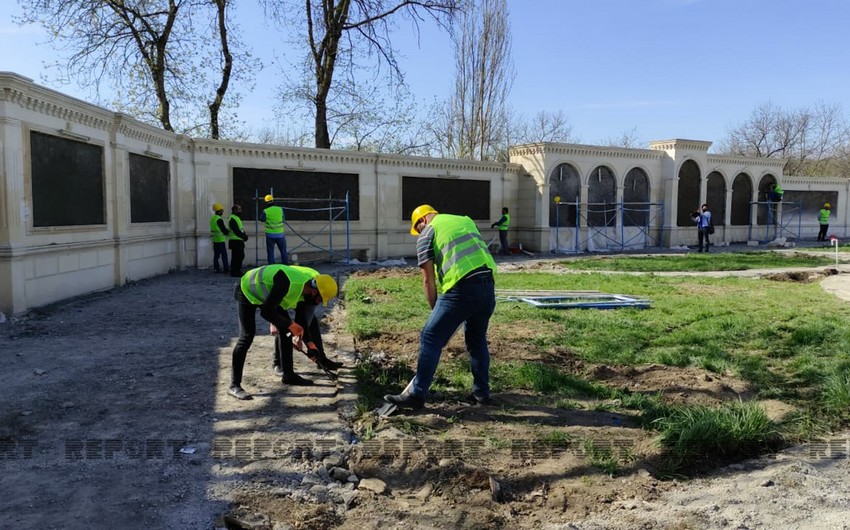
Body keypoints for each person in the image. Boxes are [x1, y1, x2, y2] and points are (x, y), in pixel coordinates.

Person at [383, 205, 497, 410]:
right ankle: (482, 393)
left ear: (422, 221)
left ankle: (416, 394)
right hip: (487, 288)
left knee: (430, 336)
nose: (418, 233)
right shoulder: (465, 219)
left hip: (461, 289)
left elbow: (428, 280)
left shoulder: (427, 233)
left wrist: (436, 311)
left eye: (417, 229)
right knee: (477, 340)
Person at [228, 265, 341, 400]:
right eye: (319, 300)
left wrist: (309, 344)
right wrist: (289, 325)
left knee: (286, 330)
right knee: (246, 337)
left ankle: (288, 375)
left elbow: (301, 319)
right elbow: (266, 312)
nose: (318, 304)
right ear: (314, 292)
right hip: (248, 290)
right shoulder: (287, 283)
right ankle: (234, 385)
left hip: (270, 297)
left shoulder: (305, 289)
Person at [259, 194, 288, 264]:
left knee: (270, 252)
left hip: (270, 235)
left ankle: (272, 267)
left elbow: (261, 219)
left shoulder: (265, 211)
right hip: (280, 234)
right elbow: (283, 219)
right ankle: (285, 266)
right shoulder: (280, 209)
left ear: (266, 203)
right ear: (273, 201)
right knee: (283, 251)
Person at [227, 204, 250, 277]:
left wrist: (244, 236)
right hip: (235, 240)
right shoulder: (233, 218)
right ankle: (235, 272)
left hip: (238, 240)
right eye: (239, 209)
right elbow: (236, 230)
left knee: (239, 256)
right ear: (234, 210)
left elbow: (240, 229)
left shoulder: (236, 218)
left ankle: (237, 271)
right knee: (237, 257)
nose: (241, 211)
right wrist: (244, 236)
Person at [210, 203, 230, 273]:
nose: (222, 212)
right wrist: (228, 232)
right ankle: (226, 269)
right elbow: (223, 229)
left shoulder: (212, 219)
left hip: (215, 239)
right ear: (218, 211)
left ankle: (216, 268)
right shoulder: (219, 219)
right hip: (220, 240)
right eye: (221, 210)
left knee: (216, 255)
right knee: (224, 255)